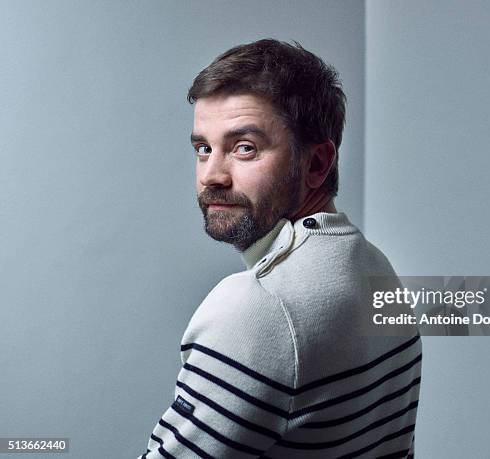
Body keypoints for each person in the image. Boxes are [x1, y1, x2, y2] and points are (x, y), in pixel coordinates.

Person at [139, 39, 421, 459]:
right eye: (204, 149)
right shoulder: (376, 267)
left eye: (244, 147)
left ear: (316, 164)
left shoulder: (258, 308)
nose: (212, 175)